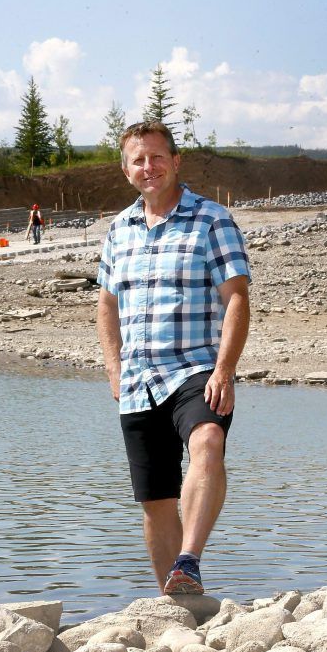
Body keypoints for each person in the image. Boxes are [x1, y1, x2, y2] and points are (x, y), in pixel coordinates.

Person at [95, 121, 251, 596]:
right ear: (126, 171)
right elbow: (105, 303)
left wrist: (224, 369)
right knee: (156, 499)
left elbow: (237, 299)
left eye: (157, 157)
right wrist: (113, 366)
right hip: (138, 379)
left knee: (207, 439)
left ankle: (189, 560)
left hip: (196, 368)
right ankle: (175, 602)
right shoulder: (118, 230)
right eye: (138, 160)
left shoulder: (212, 219)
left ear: (176, 161)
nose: (149, 167)